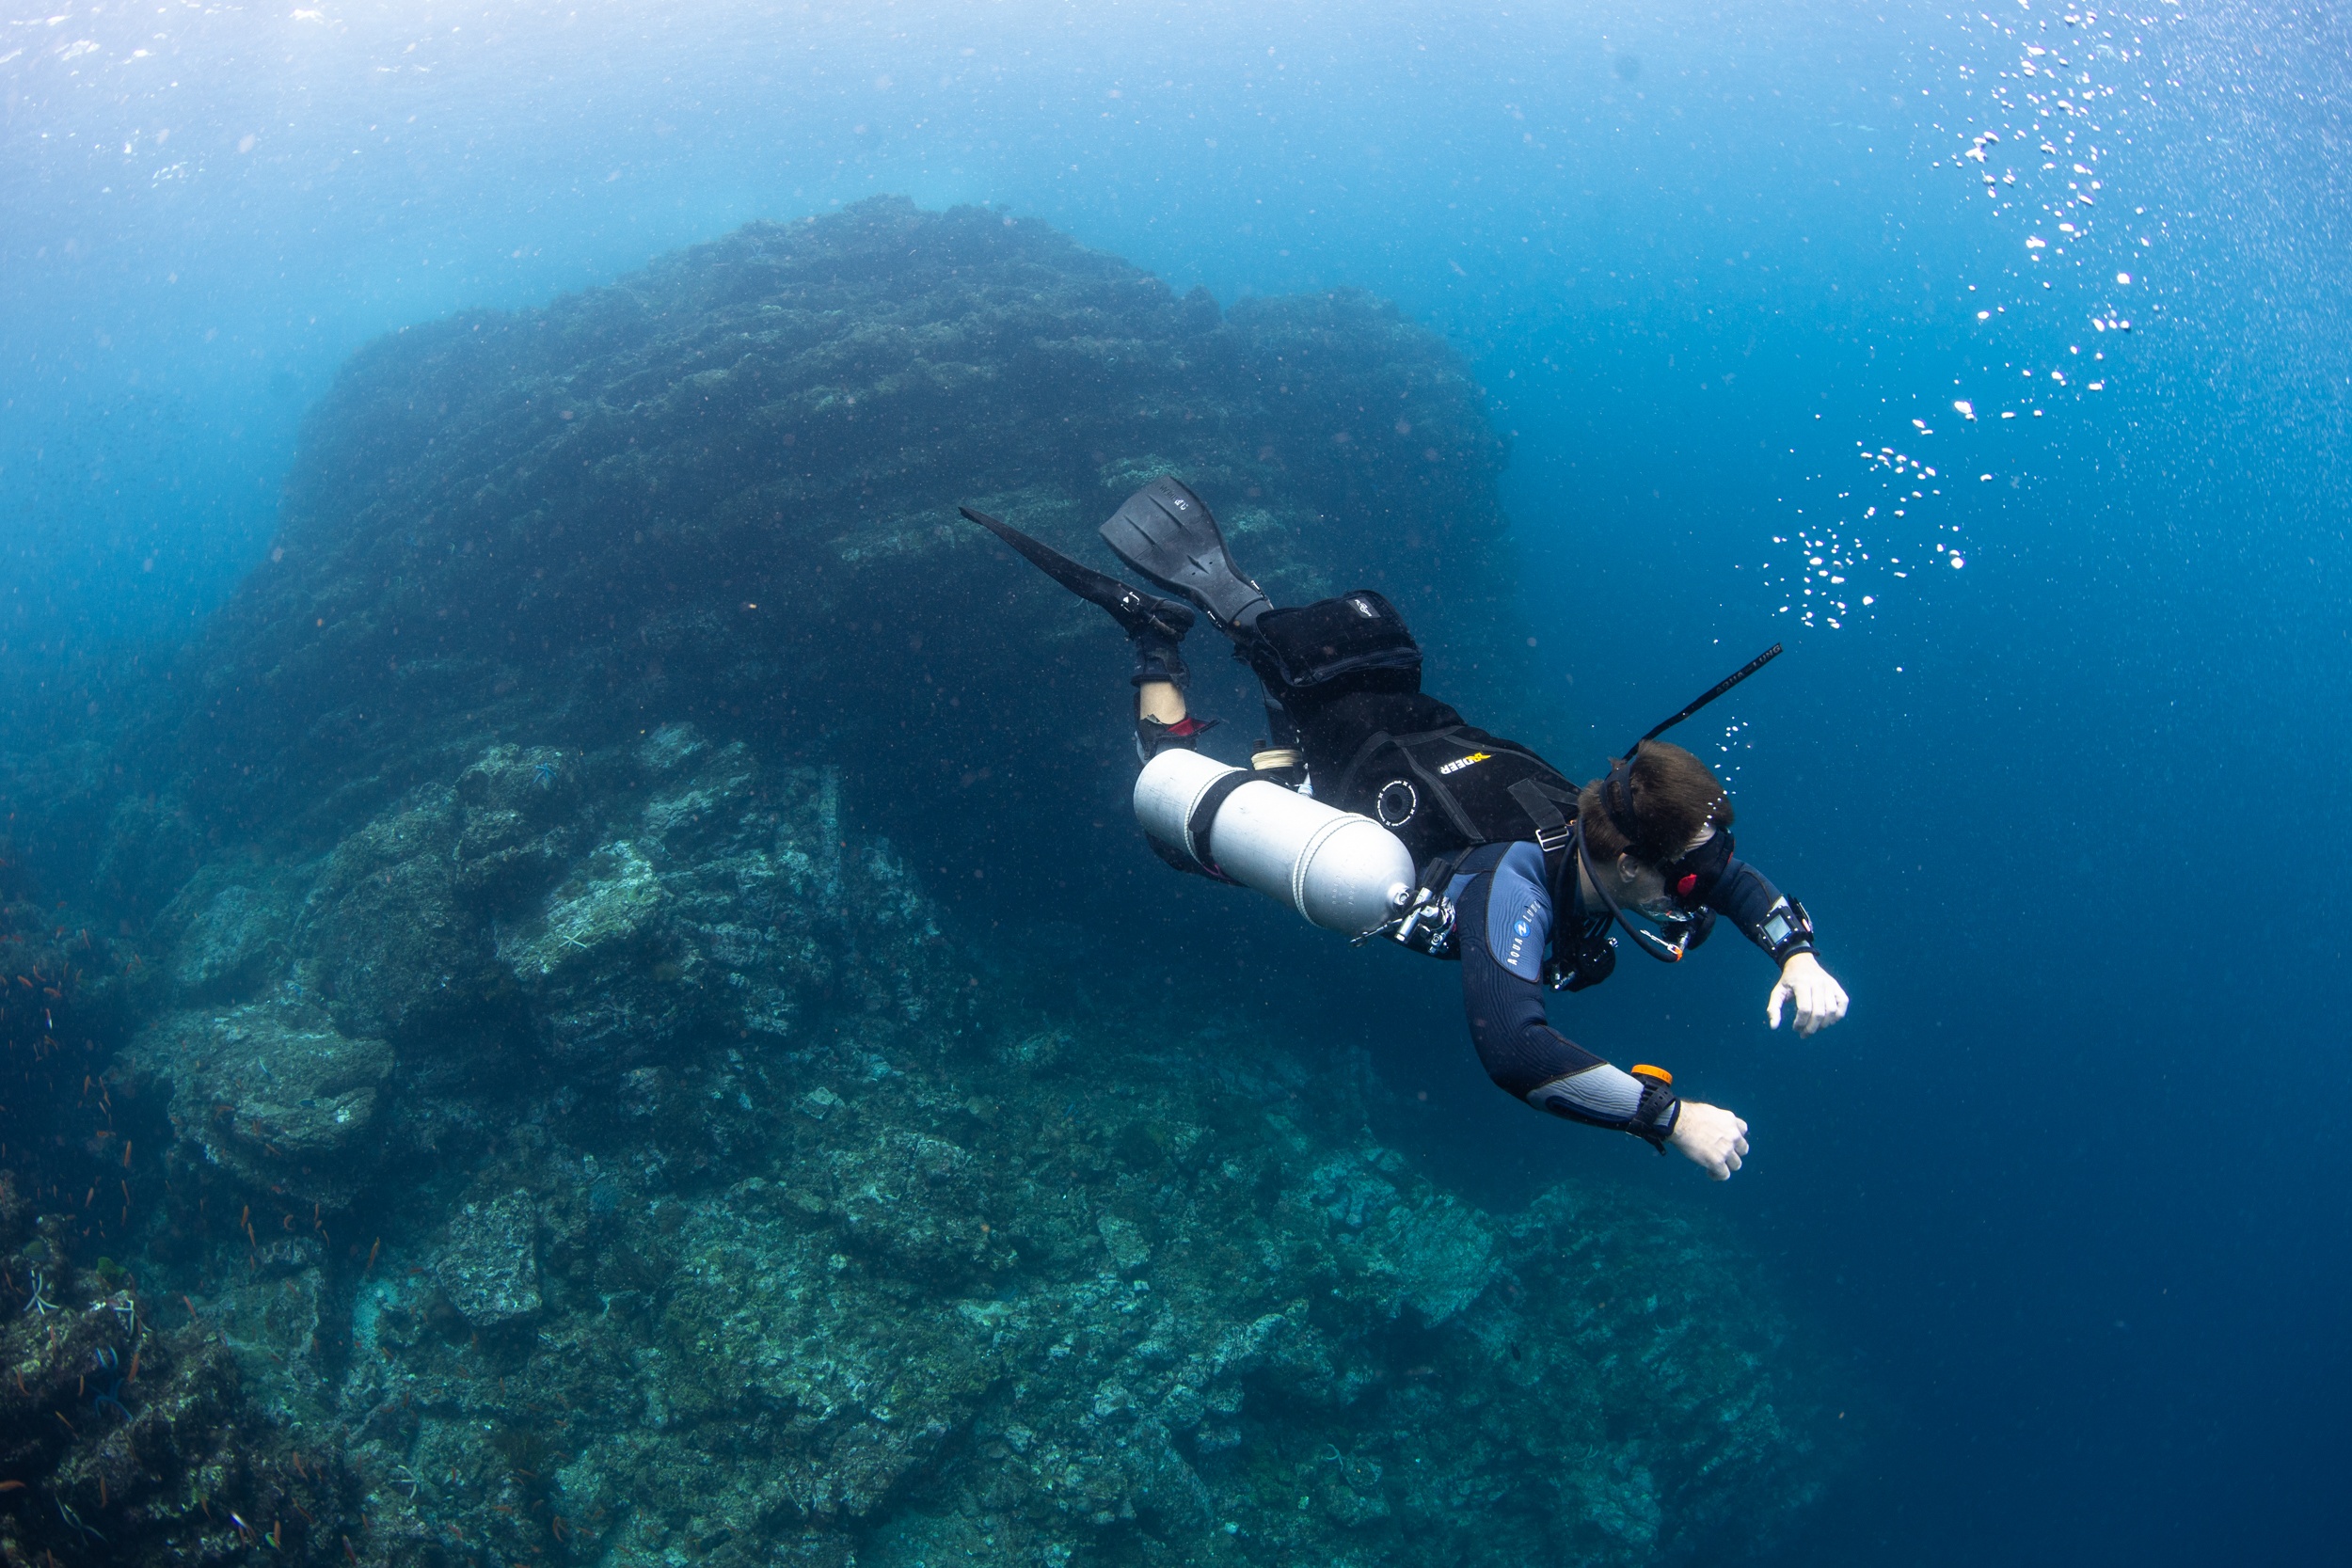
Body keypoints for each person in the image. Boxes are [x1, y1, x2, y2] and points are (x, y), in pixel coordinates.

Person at [964, 479, 1849, 1181]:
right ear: (1621, 862)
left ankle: (1261, 646)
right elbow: (1515, 1050)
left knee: (1292, 679)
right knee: (1161, 781)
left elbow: (1724, 875)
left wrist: (1795, 951)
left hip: (1394, 712)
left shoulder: (1614, 812)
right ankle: (1155, 640)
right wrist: (1670, 1118)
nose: (1701, 895)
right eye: (1683, 881)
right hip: (1350, 768)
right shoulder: (1514, 881)